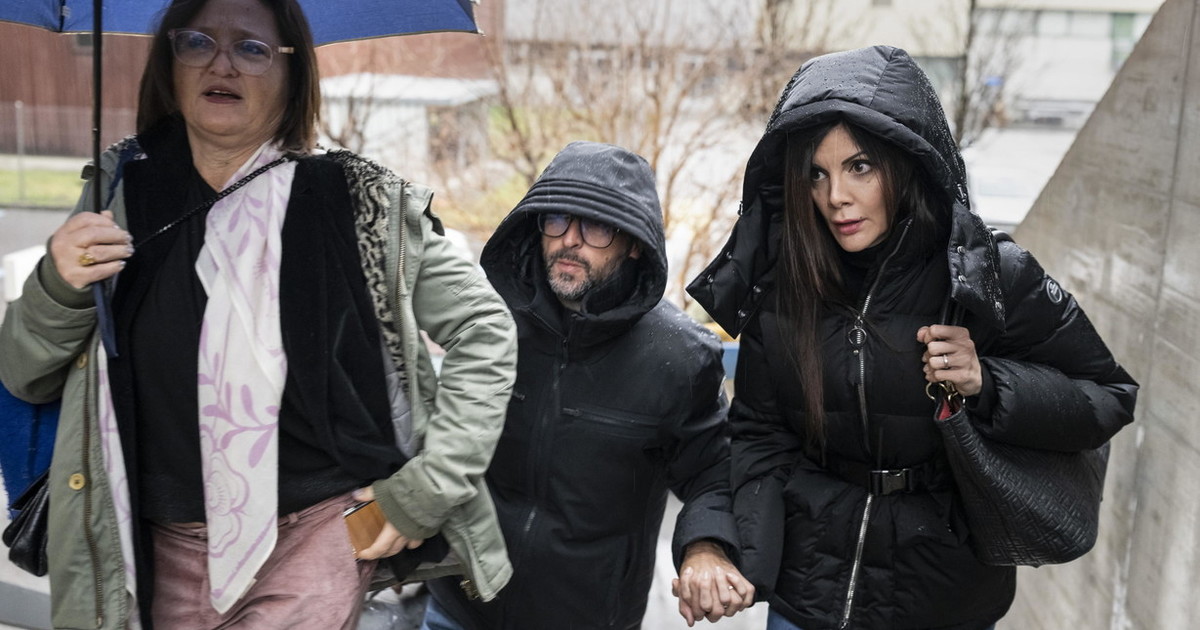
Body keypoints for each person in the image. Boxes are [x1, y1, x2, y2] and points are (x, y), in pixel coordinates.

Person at [0, 0, 517, 627]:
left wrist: (427, 490)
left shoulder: (360, 201)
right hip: (145, 542)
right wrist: (58, 284)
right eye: (197, 42)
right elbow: (23, 371)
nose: (221, 64)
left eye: (252, 48)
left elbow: (483, 329)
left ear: (293, 72)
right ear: (169, 62)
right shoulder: (117, 191)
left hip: (313, 539)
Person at [686, 46, 1138, 630]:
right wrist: (739, 558)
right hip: (808, 594)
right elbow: (759, 435)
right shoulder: (785, 283)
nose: (835, 196)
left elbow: (1106, 395)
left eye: (859, 167)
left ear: (905, 163)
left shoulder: (985, 274)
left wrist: (988, 383)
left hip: (944, 594)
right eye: (817, 174)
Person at [423, 141, 755, 630]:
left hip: (588, 616)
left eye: (596, 226)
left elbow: (712, 473)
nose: (570, 241)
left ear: (634, 242)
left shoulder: (680, 357)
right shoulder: (489, 321)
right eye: (557, 219)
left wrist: (705, 547)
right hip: (460, 605)